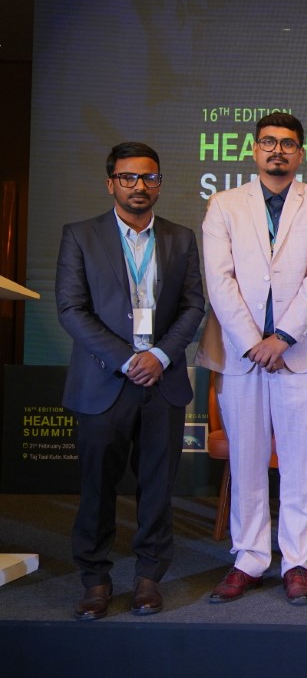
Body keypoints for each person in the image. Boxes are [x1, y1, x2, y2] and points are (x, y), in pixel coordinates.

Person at [198, 113, 307, 605]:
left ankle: (297, 561)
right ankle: (249, 558)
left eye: (287, 143)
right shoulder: (223, 204)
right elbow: (219, 280)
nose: (277, 150)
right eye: (267, 142)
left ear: (301, 152)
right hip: (242, 356)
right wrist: (252, 342)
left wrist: (281, 338)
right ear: (254, 149)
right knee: (247, 461)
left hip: (300, 352)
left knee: (299, 464)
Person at [57, 142, 205, 620]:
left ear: (159, 183)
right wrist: (126, 359)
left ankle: (148, 578)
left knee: (157, 487)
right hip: (104, 380)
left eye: (149, 177)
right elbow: (71, 309)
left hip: (163, 380)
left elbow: (193, 307)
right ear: (111, 183)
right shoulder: (81, 235)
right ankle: (95, 579)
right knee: (97, 488)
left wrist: (159, 355)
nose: (139, 186)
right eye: (128, 177)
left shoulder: (181, 238)